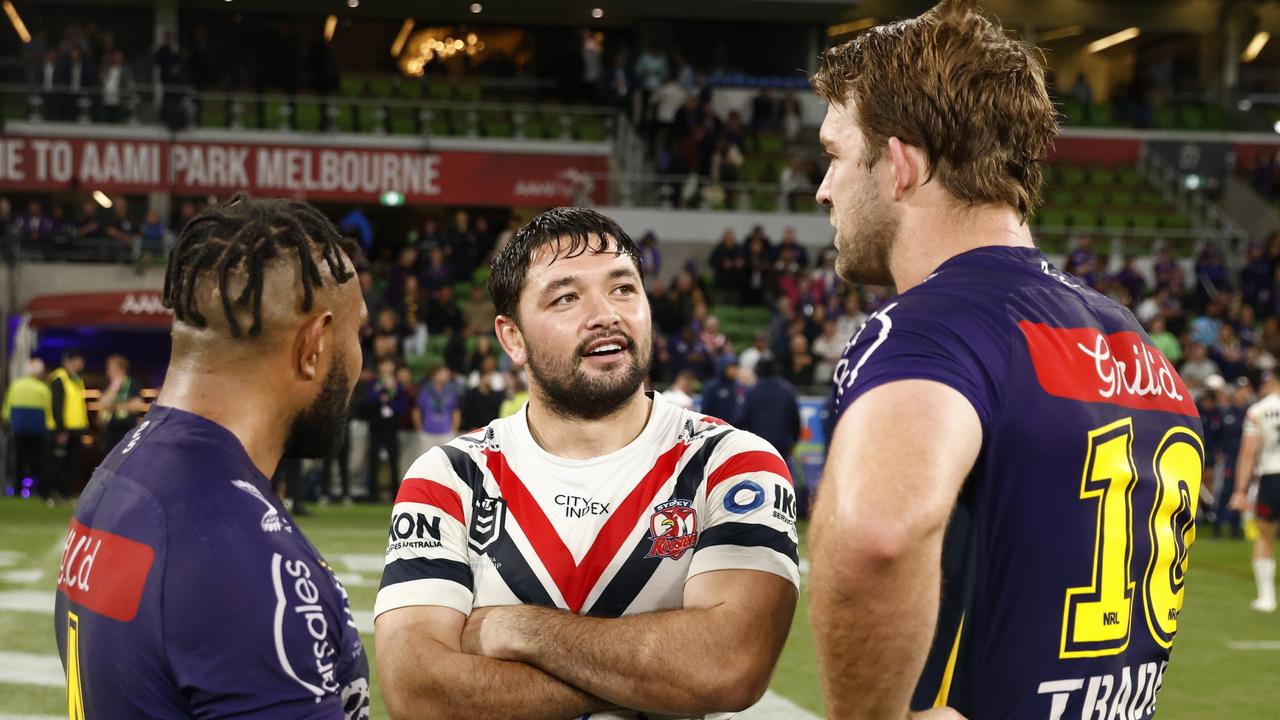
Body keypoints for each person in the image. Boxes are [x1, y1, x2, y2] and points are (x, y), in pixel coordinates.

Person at [806, 2, 1205, 718]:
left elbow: (877, 534)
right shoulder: (1135, 343)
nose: (824, 188)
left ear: (900, 165)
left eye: (835, 156)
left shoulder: (932, 327)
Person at [374, 207, 798, 719]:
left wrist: (519, 630)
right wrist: (663, 675)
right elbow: (417, 691)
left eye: (623, 288)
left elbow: (729, 666)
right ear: (512, 338)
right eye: (566, 297)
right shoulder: (448, 477)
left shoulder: (730, 463)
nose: (605, 314)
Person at [53, 195, 370, 717]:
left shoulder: (122, 472)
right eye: (357, 332)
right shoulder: (240, 556)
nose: (358, 363)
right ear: (313, 345)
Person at [1231, 372, 1280, 612]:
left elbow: (1249, 452)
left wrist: (1240, 489)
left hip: (1272, 475)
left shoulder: (1259, 410)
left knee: (1265, 535)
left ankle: (1267, 597)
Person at [736, 357, 801, 471]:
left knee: (760, 476)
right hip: (782, 443)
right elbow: (795, 420)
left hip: (759, 443)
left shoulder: (752, 391)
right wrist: (793, 442)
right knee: (781, 474)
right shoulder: (788, 390)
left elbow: (743, 419)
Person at [2, 358, 53, 498]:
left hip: (18, 430)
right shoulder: (43, 388)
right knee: (38, 461)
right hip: (38, 431)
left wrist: (10, 423)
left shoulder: (15, 385)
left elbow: (6, 410)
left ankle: (18, 489)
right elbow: (48, 412)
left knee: (19, 460)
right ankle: (39, 490)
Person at [366, 356, 412, 502]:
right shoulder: (374, 383)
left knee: (393, 460)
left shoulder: (397, 385)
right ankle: (372, 494)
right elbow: (369, 401)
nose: (386, 368)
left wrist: (391, 396)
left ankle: (395, 494)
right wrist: (381, 392)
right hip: (376, 426)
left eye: (389, 365)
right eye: (384, 365)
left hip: (391, 427)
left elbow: (403, 407)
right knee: (373, 460)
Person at [48, 349, 89, 500]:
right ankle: (50, 493)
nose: (82, 364)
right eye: (79, 360)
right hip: (63, 429)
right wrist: (61, 429)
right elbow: (56, 405)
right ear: (70, 361)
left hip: (76, 429)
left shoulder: (76, 379)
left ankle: (65, 493)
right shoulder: (59, 378)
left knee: (71, 463)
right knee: (58, 462)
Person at [98, 354, 146, 453]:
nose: (108, 371)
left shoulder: (133, 384)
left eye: (111, 368)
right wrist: (115, 386)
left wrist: (114, 406)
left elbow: (137, 406)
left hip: (129, 430)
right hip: (111, 431)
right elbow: (103, 404)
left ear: (121, 369)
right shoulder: (108, 385)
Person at [700, 355, 743, 424]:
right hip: (717, 428)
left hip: (737, 429)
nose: (734, 370)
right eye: (731, 367)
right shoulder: (712, 387)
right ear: (722, 368)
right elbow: (705, 411)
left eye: (735, 367)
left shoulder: (739, 386)